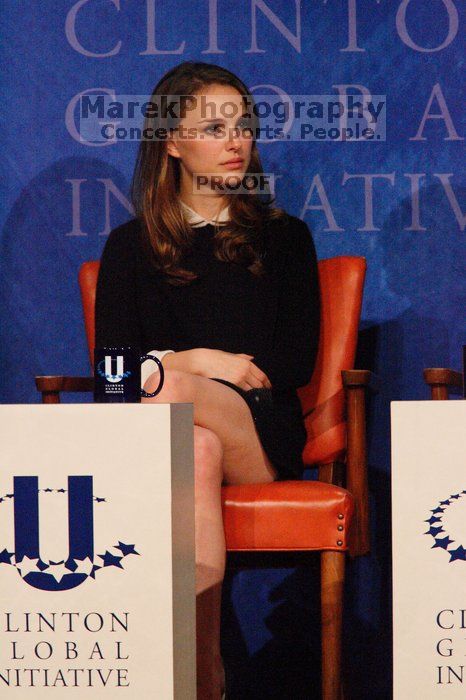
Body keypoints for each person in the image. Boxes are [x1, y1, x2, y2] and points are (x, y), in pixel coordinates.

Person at [95, 61, 320, 700]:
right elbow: (110, 379)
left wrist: (186, 375)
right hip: (170, 443)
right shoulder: (129, 247)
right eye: (214, 126)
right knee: (192, 447)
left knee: (169, 393)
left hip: (261, 434)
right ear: (171, 142)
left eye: (243, 124)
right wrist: (197, 359)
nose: (235, 139)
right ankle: (202, 676)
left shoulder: (285, 240)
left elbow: (293, 364)